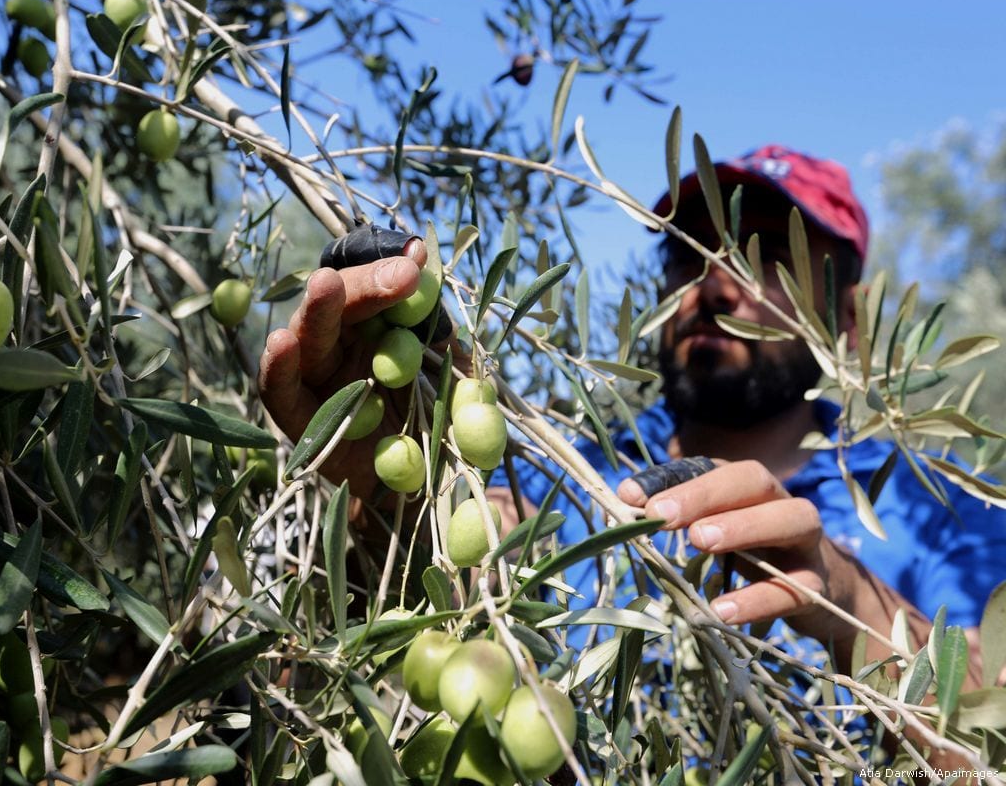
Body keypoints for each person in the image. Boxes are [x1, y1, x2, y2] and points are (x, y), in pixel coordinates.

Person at [258, 144, 1006, 702]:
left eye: (763, 257)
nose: (715, 285)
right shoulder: (560, 475)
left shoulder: (957, 520)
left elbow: (982, 749)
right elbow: (416, 610)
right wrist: (390, 493)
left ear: (846, 317)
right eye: (689, 255)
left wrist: (849, 602)